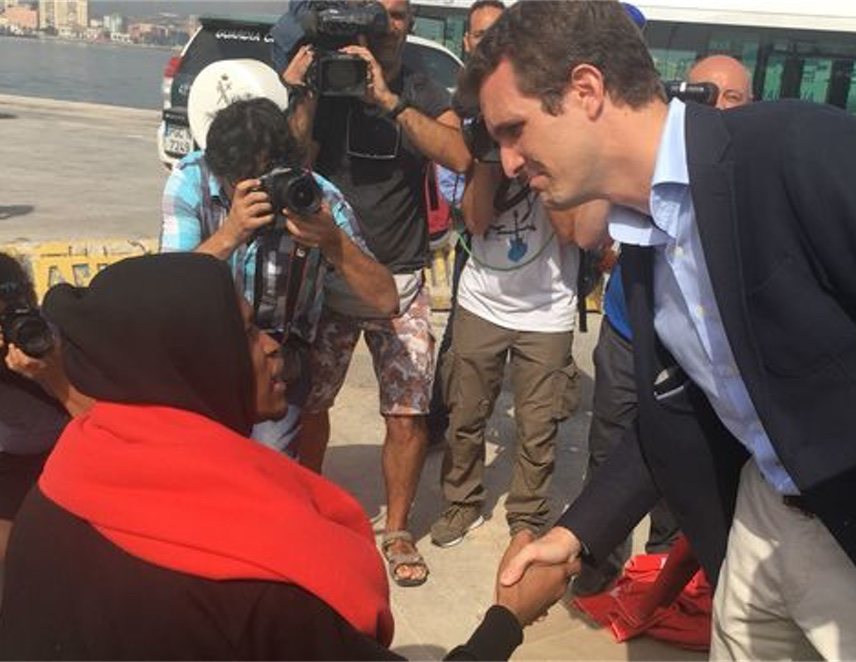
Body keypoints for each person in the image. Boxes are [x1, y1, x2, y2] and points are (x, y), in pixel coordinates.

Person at [459, 2, 856, 659]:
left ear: (587, 90)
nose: (508, 163)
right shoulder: (644, 231)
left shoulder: (809, 155)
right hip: (759, 527)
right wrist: (574, 536)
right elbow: (676, 412)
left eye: (515, 130)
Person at [0, 252, 546, 660]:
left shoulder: (58, 490)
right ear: (188, 362)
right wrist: (508, 617)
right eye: (242, 331)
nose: (269, 344)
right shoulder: (260, 588)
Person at [278, 0, 472, 587]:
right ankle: (310, 508)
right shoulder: (327, 77)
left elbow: (459, 154)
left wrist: (388, 101)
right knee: (311, 404)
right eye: (383, 13)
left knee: (408, 414)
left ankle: (397, 529)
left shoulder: (417, 81)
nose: (394, 23)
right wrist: (303, 94)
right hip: (330, 275)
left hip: (404, 275)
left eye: (402, 13)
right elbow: (290, 159)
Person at [574, 52, 754, 597]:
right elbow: (585, 234)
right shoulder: (649, 164)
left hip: (696, 349)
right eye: (703, 95)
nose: (717, 108)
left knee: (684, 462)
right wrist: (612, 163)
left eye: (732, 99)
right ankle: (599, 561)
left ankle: (662, 573)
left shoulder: (753, 179)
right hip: (631, 336)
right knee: (611, 449)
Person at [160, 97, 396, 459]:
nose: (258, 190)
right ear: (219, 170)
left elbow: (385, 300)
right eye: (242, 180)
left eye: (267, 176)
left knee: (268, 464)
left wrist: (334, 242)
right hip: (207, 350)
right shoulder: (192, 179)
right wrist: (230, 233)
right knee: (199, 460)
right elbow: (167, 291)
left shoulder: (315, 197)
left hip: (278, 356)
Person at [429, 151, 581, 548]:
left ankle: (527, 517)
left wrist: (543, 162)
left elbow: (571, 232)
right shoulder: (486, 151)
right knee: (465, 412)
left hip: (548, 311)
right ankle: (462, 501)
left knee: (538, 426)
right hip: (482, 303)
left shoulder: (561, 149)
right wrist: (487, 160)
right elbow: (476, 223)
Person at [428, 0, 506, 449]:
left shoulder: (529, 95)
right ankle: (440, 422)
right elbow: (449, 180)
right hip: (474, 240)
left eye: (497, 34)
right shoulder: (457, 104)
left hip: (526, 247)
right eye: (480, 35)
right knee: (458, 339)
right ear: (466, 41)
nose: (487, 44)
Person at [0, 253, 92, 563]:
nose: (13, 323)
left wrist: (54, 373)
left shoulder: (58, 336)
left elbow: (106, 425)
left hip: (68, 454)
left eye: (19, 304)